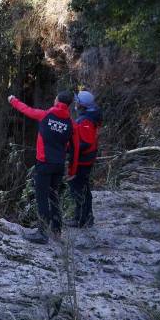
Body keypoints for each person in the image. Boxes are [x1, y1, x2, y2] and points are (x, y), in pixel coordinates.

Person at [8, 91, 79, 242]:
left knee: (41, 198)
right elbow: (76, 148)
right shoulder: (71, 124)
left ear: (57, 101)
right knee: (54, 197)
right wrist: (72, 170)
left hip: (44, 165)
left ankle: (42, 233)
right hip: (58, 166)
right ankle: (57, 231)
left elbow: (26, 110)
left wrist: (13, 100)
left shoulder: (45, 115)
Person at [67, 90, 102, 228]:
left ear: (82, 104)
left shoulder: (86, 120)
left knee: (78, 189)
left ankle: (82, 219)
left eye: (77, 101)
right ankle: (85, 217)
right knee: (83, 189)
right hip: (85, 158)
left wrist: (69, 148)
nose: (75, 103)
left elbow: (86, 142)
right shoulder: (90, 116)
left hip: (83, 160)